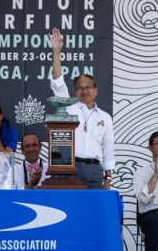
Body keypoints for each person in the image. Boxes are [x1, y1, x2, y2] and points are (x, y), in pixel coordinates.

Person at [49, 27, 114, 189]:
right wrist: (56, 52)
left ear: (96, 90)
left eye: (88, 87)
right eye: (79, 88)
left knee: (92, 212)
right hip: (70, 168)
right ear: (74, 91)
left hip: (94, 169)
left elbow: (108, 148)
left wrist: (108, 178)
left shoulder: (105, 117)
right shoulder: (69, 108)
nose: (84, 91)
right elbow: (58, 83)